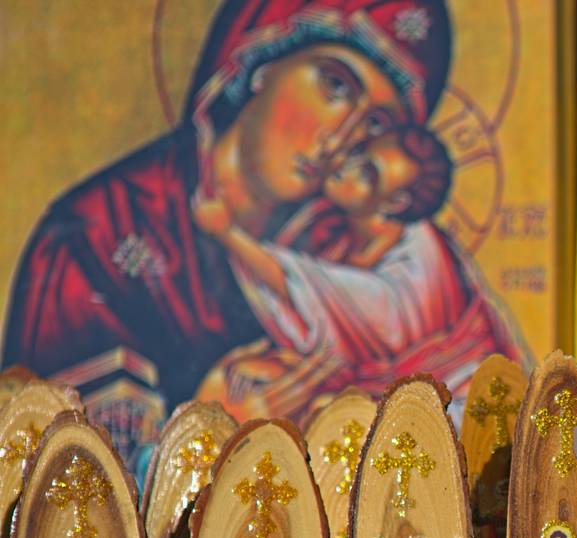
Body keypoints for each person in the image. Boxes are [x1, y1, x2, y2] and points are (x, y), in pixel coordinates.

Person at [3, 0, 525, 449]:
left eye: (375, 124)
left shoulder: (364, 243)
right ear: (260, 61)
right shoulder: (102, 234)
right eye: (335, 85)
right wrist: (208, 422)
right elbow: (55, 487)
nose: (341, 137)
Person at [191, 125, 465, 401]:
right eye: (358, 152)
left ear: (396, 203)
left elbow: (294, 283)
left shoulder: (396, 288)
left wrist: (226, 232)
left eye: (366, 173)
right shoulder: (353, 226)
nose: (345, 165)